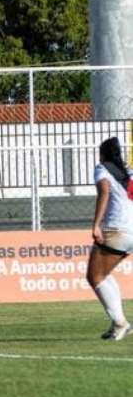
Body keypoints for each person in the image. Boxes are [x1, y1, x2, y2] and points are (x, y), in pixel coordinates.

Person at [87, 137, 133, 341]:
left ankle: (120, 323)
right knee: (103, 274)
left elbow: (104, 192)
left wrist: (96, 224)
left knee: (95, 276)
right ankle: (120, 322)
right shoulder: (129, 173)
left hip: (116, 230)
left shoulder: (102, 169)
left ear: (103, 154)